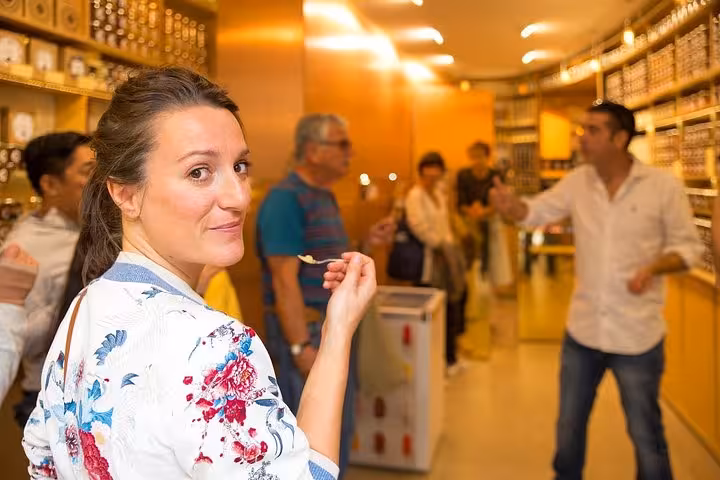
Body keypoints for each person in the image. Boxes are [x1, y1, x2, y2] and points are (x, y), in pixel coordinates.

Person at [23, 67, 377, 480]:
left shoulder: (85, 306)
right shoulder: (214, 345)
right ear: (125, 193)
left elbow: (44, 457)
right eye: (199, 172)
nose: (238, 197)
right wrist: (338, 331)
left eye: (240, 166)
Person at [490, 100, 703, 480]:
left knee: (646, 435)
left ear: (620, 138)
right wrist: (511, 207)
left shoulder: (662, 187)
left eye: (592, 131)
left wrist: (654, 266)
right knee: (569, 430)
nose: (581, 139)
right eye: (581, 129)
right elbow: (535, 212)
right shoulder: (578, 182)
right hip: (583, 332)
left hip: (637, 337)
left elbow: (689, 250)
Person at [256, 113, 394, 478]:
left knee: (337, 432)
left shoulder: (324, 196)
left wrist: (368, 246)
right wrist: (301, 348)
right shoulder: (285, 200)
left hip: (330, 332)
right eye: (341, 144)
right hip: (309, 336)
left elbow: (326, 265)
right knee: (307, 446)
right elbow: (285, 281)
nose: (350, 152)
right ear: (313, 151)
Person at [0, 132, 94, 426]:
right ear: (50, 184)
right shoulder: (25, 247)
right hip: (52, 399)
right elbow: (20, 337)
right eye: (88, 171)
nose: (101, 181)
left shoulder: (87, 230)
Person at [405, 152, 466, 374]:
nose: (432, 172)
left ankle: (450, 358)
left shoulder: (440, 193)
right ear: (421, 170)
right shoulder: (415, 195)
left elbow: (445, 223)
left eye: (436, 167)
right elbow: (417, 226)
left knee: (451, 307)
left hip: (446, 257)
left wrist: (449, 246)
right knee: (432, 310)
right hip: (428, 262)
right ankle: (432, 364)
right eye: (428, 167)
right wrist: (439, 244)